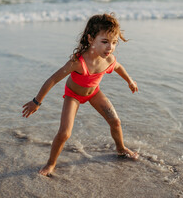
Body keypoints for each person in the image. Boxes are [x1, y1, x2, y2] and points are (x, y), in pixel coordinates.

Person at [22, 13, 139, 177]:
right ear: (91, 40)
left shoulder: (108, 59)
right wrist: (37, 101)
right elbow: (53, 79)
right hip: (73, 96)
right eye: (104, 42)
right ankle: (51, 163)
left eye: (114, 43)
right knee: (64, 133)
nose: (110, 47)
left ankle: (121, 149)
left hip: (94, 93)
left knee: (116, 122)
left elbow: (118, 67)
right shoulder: (78, 62)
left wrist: (130, 81)